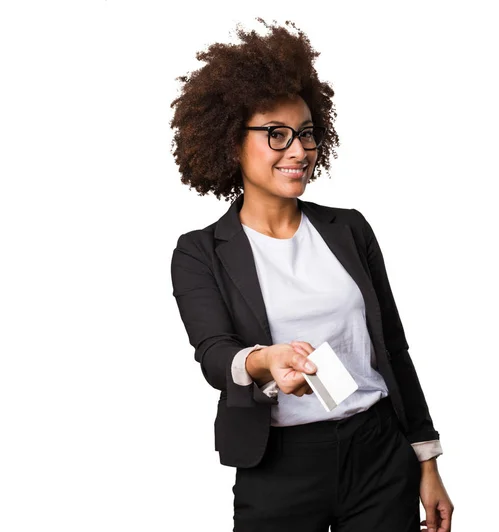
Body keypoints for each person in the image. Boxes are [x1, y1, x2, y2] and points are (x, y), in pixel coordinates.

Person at [170, 18, 453, 532]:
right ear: (231, 141)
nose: (298, 151)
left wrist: (426, 460)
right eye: (276, 135)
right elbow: (215, 356)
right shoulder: (200, 252)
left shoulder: (349, 230)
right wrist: (266, 360)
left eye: (305, 133)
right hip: (279, 465)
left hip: (378, 455)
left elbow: (393, 347)